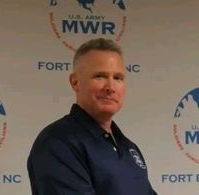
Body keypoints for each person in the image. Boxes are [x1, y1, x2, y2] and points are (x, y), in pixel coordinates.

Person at [27, 38, 157, 195]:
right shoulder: (58, 143)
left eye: (118, 78)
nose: (110, 87)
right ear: (75, 82)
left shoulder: (128, 147)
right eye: (99, 76)